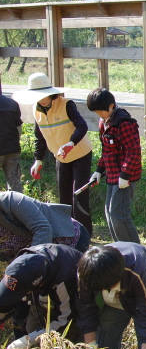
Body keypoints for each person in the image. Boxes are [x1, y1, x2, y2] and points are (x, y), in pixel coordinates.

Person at [12, 73, 93, 236]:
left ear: (50, 92)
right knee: (64, 198)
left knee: (79, 195)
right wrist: (38, 160)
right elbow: (39, 136)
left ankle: (84, 235)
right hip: (61, 157)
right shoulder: (37, 110)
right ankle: (68, 234)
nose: (41, 99)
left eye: (43, 95)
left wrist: (71, 143)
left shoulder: (66, 104)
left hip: (80, 154)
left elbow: (82, 126)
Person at [77, 242, 146, 349]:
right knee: (105, 340)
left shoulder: (138, 270)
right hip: (112, 293)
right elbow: (86, 308)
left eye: (108, 287)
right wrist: (91, 348)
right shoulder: (87, 272)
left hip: (145, 291)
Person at [0, 244, 83, 349]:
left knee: (66, 338)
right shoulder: (22, 264)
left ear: (38, 285)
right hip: (42, 288)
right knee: (31, 327)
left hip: (73, 298)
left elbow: (64, 320)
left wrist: (28, 340)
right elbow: (5, 296)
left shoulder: (64, 280)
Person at [87, 87, 142, 243]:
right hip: (111, 174)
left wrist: (125, 175)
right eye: (96, 112)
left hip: (124, 177)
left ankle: (135, 251)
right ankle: (121, 247)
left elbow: (133, 151)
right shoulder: (104, 122)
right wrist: (99, 170)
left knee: (118, 215)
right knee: (109, 213)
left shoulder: (124, 122)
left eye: (100, 111)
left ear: (111, 106)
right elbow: (107, 150)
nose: (99, 115)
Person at [0, 191, 90, 260]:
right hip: (39, 255)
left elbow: (43, 229)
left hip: (71, 241)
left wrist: (28, 264)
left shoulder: (10, 200)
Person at [0, 85, 23, 193]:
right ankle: (19, 208)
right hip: (13, 149)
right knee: (15, 184)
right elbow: (19, 128)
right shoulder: (12, 103)